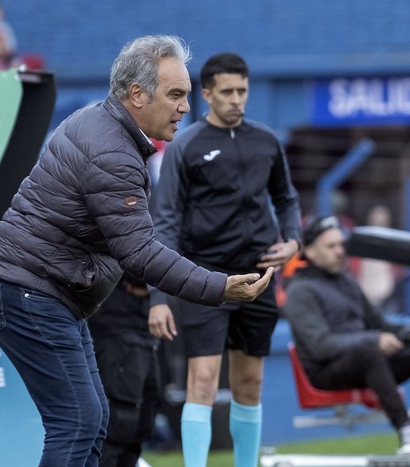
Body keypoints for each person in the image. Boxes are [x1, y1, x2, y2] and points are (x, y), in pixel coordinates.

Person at [0, 35, 273, 467]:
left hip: (35, 290)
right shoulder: (113, 151)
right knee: (77, 421)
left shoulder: (103, 125)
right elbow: (141, 254)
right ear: (136, 94)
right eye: (175, 95)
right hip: (26, 290)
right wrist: (219, 287)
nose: (185, 108)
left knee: (94, 418)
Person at [148, 52, 302, 467]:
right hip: (205, 281)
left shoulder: (267, 141)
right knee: (201, 381)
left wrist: (294, 242)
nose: (237, 99)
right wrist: (159, 297)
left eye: (243, 91)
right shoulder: (185, 146)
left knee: (249, 383)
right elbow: (165, 224)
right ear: (208, 93)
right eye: (228, 92)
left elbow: (287, 200)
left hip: (260, 280)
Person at [282, 215, 410, 454]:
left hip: (368, 363)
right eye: (331, 246)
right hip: (327, 371)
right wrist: (374, 339)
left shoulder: (347, 281)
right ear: (310, 252)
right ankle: (405, 428)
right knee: (368, 353)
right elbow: (320, 346)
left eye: (341, 245)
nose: (340, 252)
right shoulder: (300, 291)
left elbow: (380, 324)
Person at [87, 273, 159, 467]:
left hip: (145, 330)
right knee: (119, 421)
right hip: (116, 325)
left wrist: (155, 290)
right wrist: (155, 285)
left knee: (142, 422)